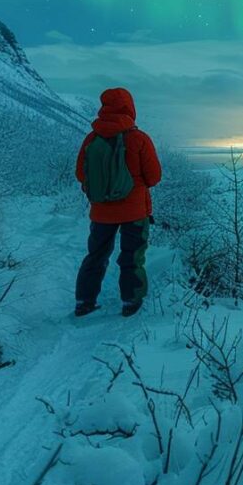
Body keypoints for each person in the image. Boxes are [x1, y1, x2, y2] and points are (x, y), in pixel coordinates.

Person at [73, 87, 162, 317]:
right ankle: (131, 301)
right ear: (130, 108)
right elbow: (154, 177)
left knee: (96, 255)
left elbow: (81, 174)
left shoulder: (92, 139)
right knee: (132, 257)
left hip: (101, 212)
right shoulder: (139, 139)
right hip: (134, 212)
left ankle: (84, 301)